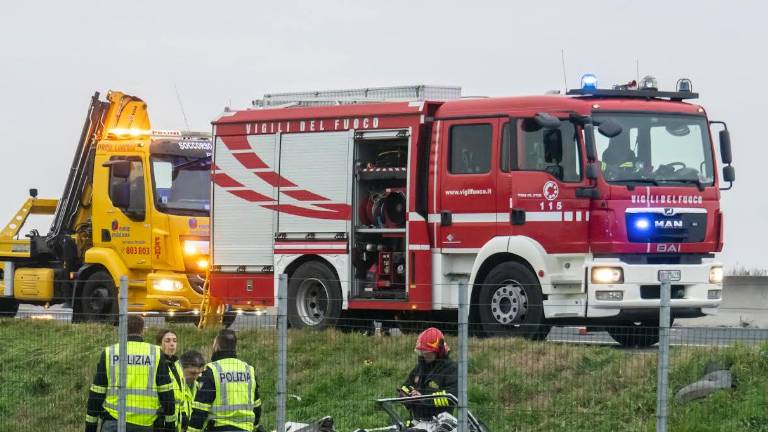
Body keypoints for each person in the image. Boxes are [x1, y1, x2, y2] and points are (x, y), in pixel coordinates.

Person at [85, 315, 176, 432]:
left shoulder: (110, 352)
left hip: (114, 419)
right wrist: (170, 424)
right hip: (145, 423)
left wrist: (90, 425)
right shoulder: (155, 353)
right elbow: (166, 392)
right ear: (143, 330)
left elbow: (97, 392)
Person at [188, 329, 262, 432]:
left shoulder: (212, 371)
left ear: (217, 346)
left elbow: (200, 410)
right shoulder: (249, 370)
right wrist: (256, 426)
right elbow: (257, 406)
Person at [399, 327, 458, 422]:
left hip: (439, 424)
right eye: (422, 352)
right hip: (416, 421)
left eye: (428, 353)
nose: (424, 355)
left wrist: (423, 398)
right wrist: (406, 396)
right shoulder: (420, 367)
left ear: (439, 351)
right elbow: (405, 387)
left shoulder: (451, 369)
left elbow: (451, 397)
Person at [156, 329, 186, 432]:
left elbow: (182, 393)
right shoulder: (158, 364)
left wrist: (183, 413)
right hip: (162, 418)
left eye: (174, 340)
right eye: (167, 341)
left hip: (176, 417)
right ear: (160, 344)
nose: (172, 344)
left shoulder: (177, 364)